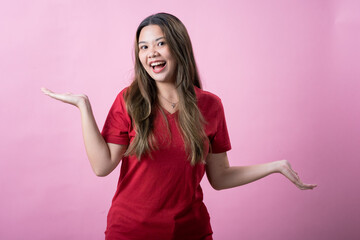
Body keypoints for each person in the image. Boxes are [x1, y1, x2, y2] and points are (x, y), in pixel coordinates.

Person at [41, 12, 317, 240]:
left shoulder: (210, 106)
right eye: (143, 47)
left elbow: (219, 177)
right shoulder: (129, 101)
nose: (151, 53)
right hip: (130, 231)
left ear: (178, 46)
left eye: (160, 44)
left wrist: (275, 166)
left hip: (190, 231)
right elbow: (102, 167)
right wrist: (83, 107)